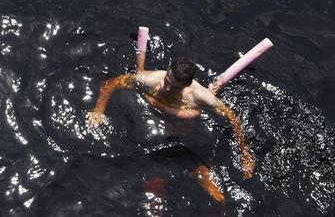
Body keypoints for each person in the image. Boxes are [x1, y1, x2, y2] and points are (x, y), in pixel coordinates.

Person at [86, 56, 255, 202]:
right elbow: (110, 83)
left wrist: (245, 153)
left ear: (187, 84)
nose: (166, 88)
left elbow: (233, 118)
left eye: (174, 87)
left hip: (183, 131)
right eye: (167, 80)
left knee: (200, 170)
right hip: (153, 123)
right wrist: (98, 111)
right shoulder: (151, 79)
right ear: (167, 70)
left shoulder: (200, 96)